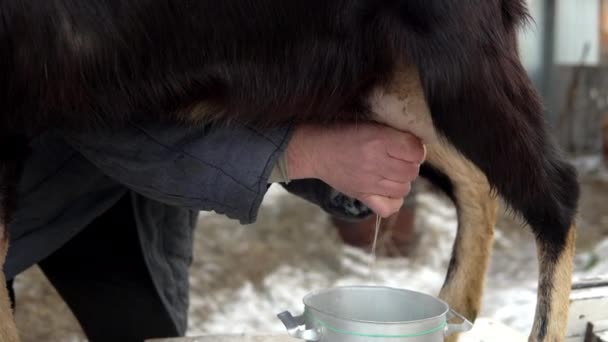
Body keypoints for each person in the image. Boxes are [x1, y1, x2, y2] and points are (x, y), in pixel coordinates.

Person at [5, 120, 424, 341]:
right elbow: (88, 90)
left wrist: (348, 169)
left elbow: (231, 77)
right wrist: (302, 150)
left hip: (131, 193)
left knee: (149, 332)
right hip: (18, 170)